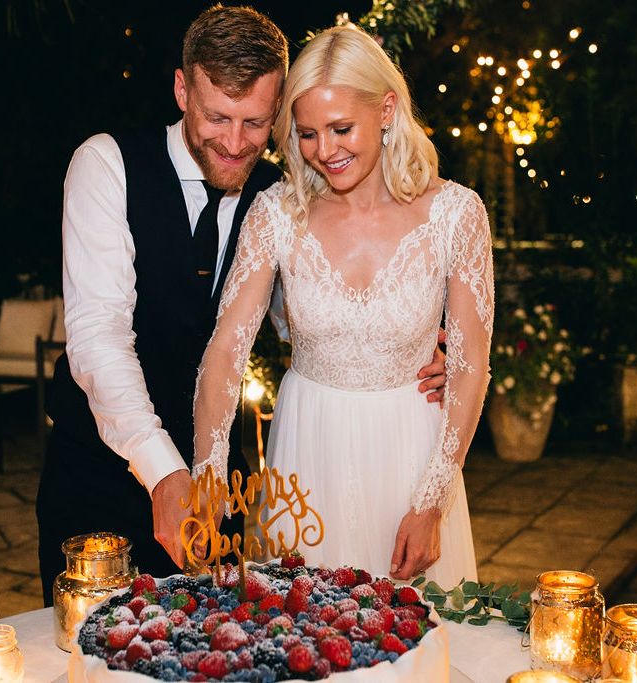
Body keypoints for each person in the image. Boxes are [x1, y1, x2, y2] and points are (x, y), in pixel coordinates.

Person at [36, 6, 446, 604]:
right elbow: (99, 337)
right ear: (182, 89)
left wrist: (418, 344)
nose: (233, 143)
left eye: (255, 122)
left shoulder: (284, 199)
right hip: (101, 477)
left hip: (219, 490)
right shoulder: (106, 165)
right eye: (217, 117)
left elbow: (307, 315)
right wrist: (165, 473)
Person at [193, 25, 494, 588]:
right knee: (302, 641)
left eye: (340, 128)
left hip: (411, 454)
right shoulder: (275, 213)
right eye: (307, 133)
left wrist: (432, 501)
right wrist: (208, 481)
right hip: (308, 448)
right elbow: (224, 354)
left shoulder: (457, 213)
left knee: (416, 646)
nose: (324, 151)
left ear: (386, 110)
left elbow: (472, 364)